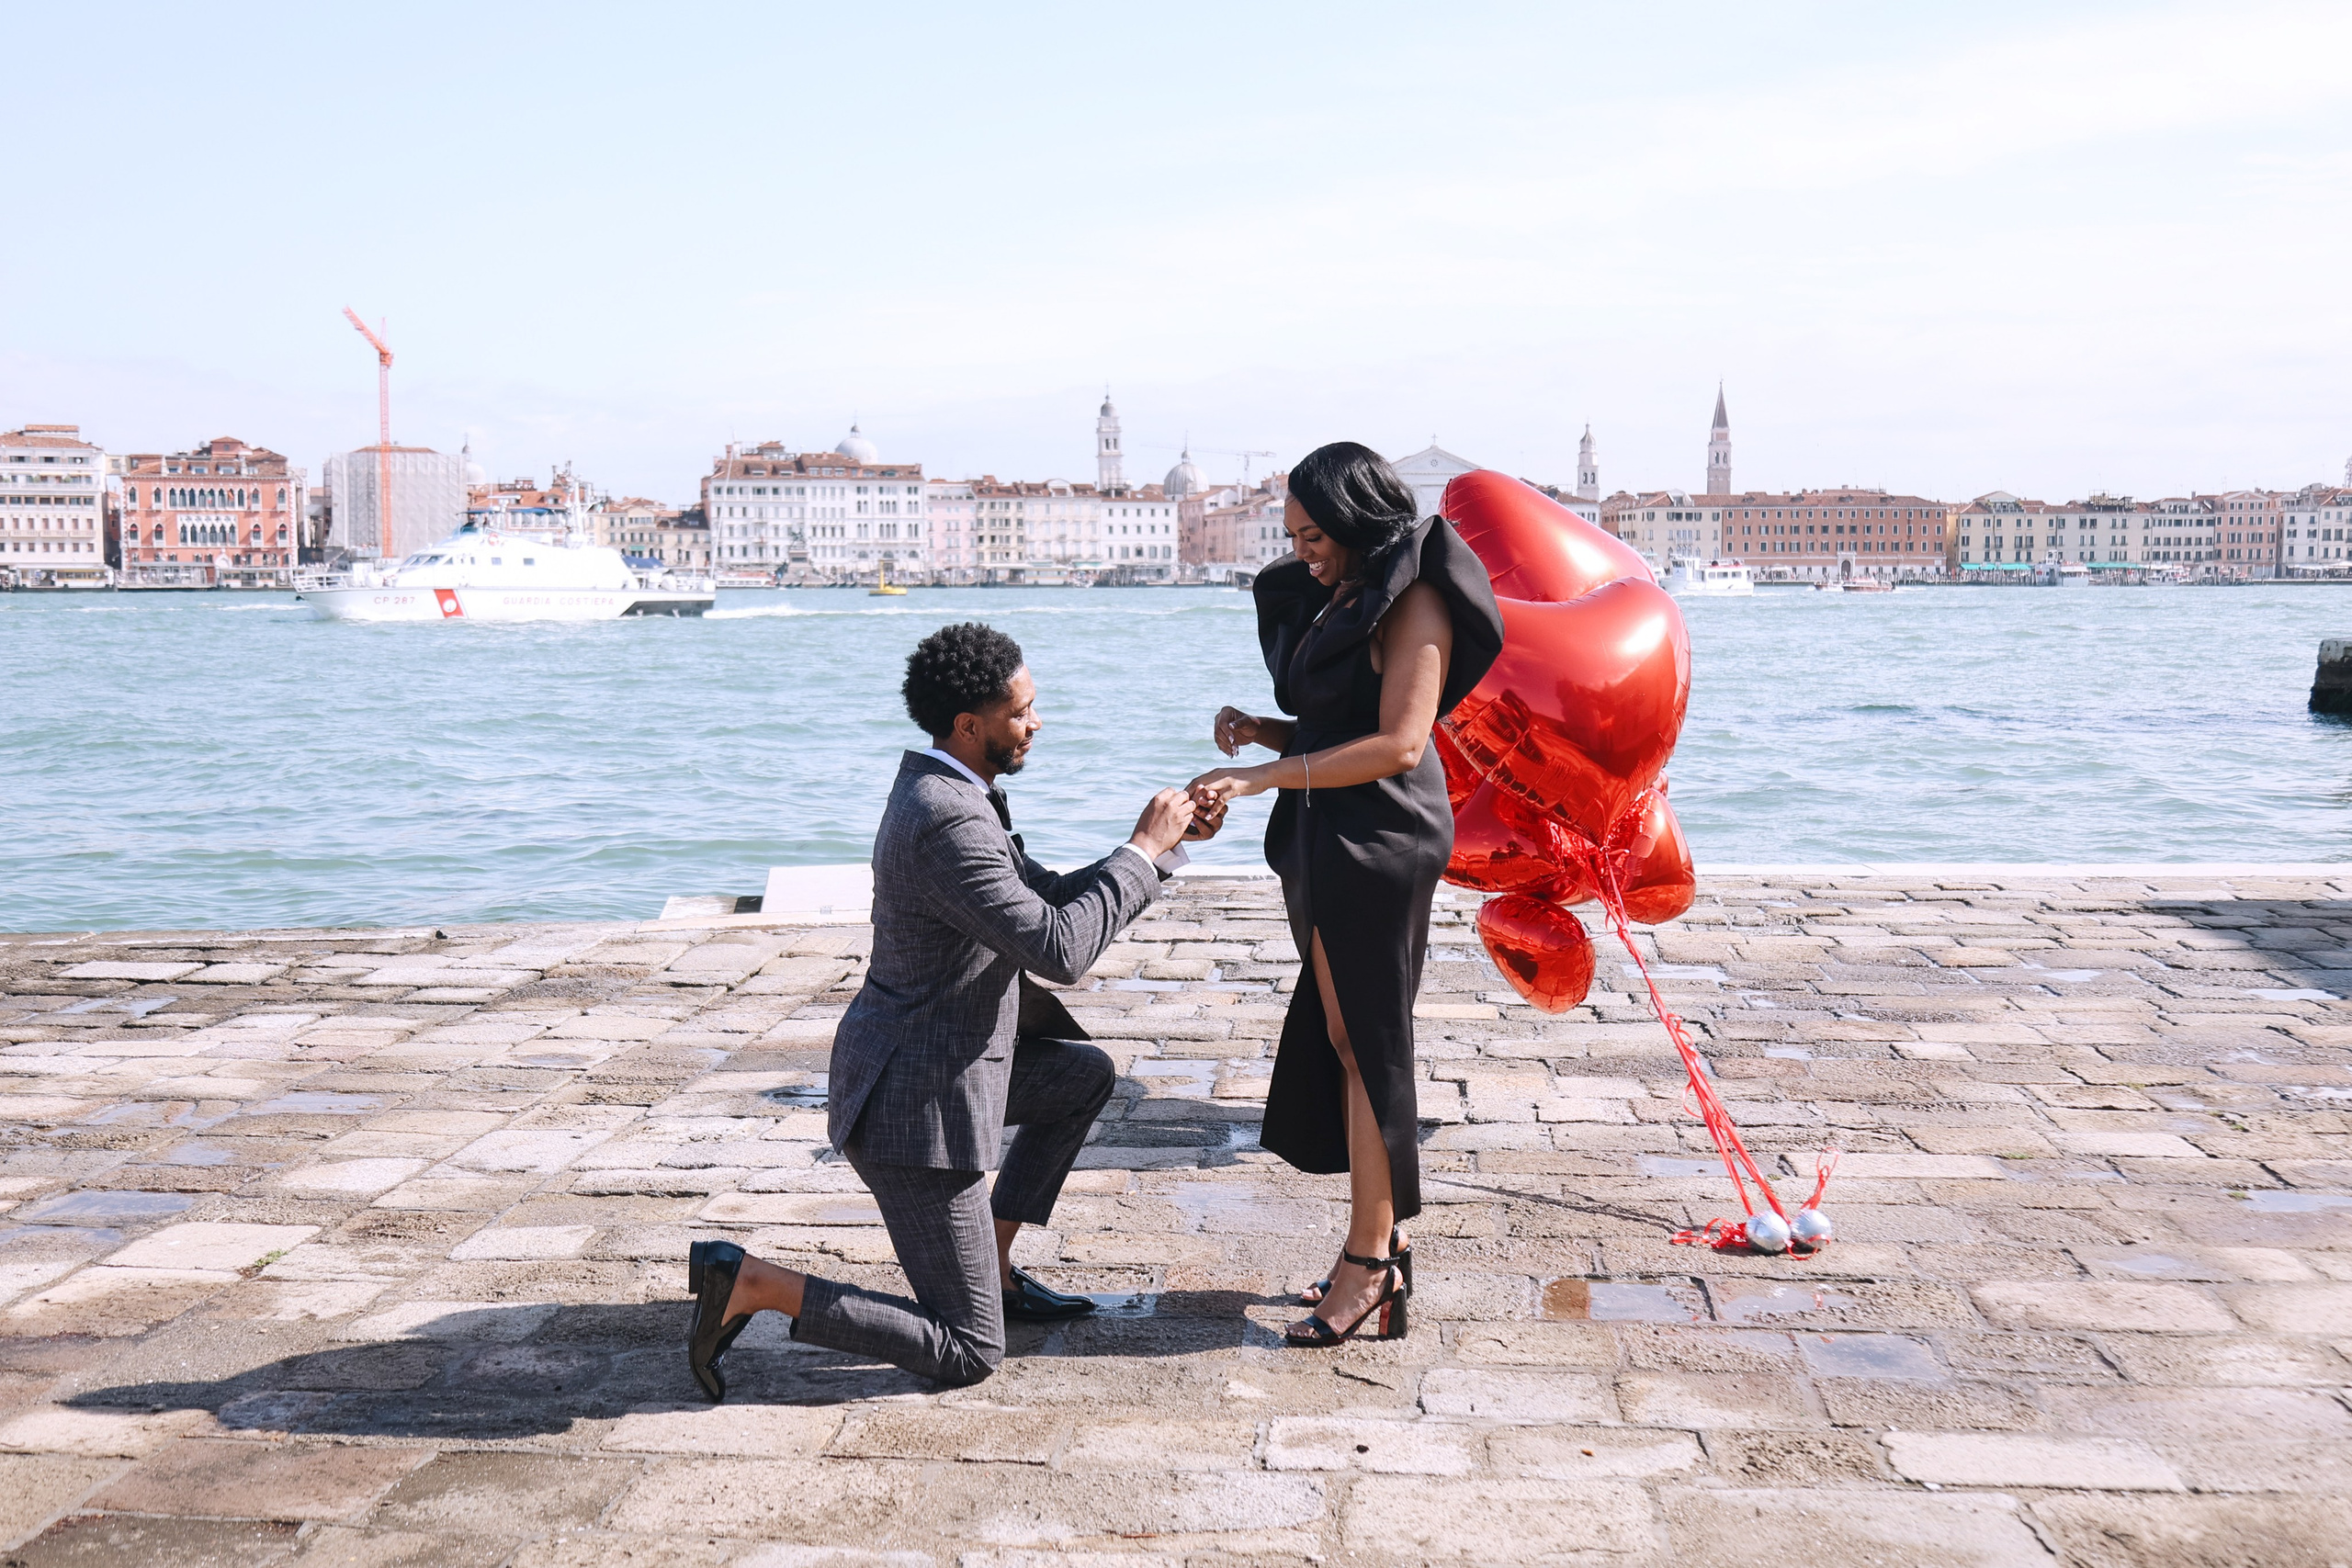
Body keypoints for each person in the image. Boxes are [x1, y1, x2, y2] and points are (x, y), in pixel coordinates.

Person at [685, 622, 1196, 1395]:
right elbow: (1059, 949)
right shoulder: (945, 817)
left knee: (1081, 1074)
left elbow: (1049, 898)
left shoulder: (961, 792)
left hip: (943, 1069)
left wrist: (1159, 851)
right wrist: (1136, 851)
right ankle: (754, 1282)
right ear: (969, 724)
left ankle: (989, 1264)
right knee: (969, 1348)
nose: (1037, 722)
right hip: (912, 1113)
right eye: (1022, 711)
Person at [1188, 443, 1501, 1348]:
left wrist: (1260, 779)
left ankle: (1375, 1259)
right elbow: (1344, 727)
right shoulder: (1348, 596)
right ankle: (1375, 1244)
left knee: (1368, 1045)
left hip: (1381, 836)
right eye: (1291, 535)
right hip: (1330, 830)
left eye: (1314, 534)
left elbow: (1400, 744)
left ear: (1357, 516)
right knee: (1345, 1041)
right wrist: (1267, 732)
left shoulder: (1418, 596)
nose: (1302, 552)